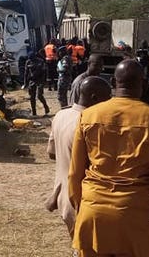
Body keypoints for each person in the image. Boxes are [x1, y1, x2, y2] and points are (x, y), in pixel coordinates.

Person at [69, 60, 149, 257]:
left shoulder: (87, 116)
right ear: (144, 85)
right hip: (134, 216)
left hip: (93, 212)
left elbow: (74, 174)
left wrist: (82, 210)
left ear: (113, 82)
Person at [45, 76, 112, 238]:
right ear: (95, 98)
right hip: (83, 202)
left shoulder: (61, 115)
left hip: (63, 199)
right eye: (108, 98)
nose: (110, 103)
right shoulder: (91, 124)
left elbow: (51, 153)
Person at [23, 52, 50, 116]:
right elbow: (26, 73)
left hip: (40, 80)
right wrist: (25, 83)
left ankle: (46, 107)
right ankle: (34, 112)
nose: (31, 60)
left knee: (39, 95)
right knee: (32, 97)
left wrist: (45, 80)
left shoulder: (40, 61)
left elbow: (45, 71)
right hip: (32, 81)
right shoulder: (28, 62)